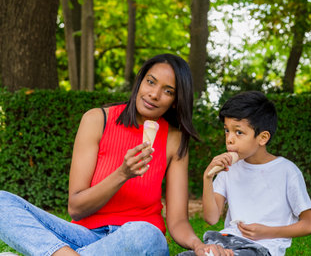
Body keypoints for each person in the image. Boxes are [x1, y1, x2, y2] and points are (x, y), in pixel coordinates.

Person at [0, 54, 230, 256]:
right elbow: (76, 208)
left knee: (146, 233)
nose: (154, 94)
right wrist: (122, 173)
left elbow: (178, 220)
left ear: (174, 102)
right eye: (150, 82)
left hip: (138, 240)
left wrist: (198, 245)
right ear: (140, 81)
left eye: (167, 91)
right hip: (84, 235)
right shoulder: (96, 120)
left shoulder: (174, 140)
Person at [178, 91, 311, 256]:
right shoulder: (228, 169)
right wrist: (207, 178)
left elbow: (309, 224)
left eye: (238, 132)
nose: (229, 139)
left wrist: (267, 232)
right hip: (225, 240)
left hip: (261, 248)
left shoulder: (287, 171)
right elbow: (212, 218)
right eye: (226, 131)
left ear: (262, 138)